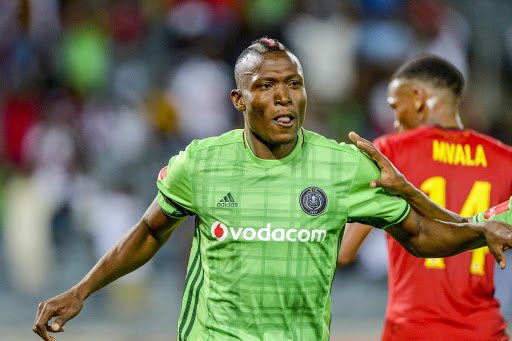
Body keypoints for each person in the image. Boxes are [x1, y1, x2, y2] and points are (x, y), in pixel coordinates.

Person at [33, 38, 512, 341]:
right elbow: (148, 232)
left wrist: (478, 231)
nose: (284, 96)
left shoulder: (343, 165)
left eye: (294, 83)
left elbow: (420, 237)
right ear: (240, 99)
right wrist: (82, 290)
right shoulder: (201, 162)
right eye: (266, 85)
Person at [339, 55, 512, 340]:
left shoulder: (388, 154)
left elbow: (344, 251)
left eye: (396, 107)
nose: (395, 122)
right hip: (484, 330)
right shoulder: (504, 159)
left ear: (417, 97)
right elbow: (474, 225)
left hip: (412, 329)